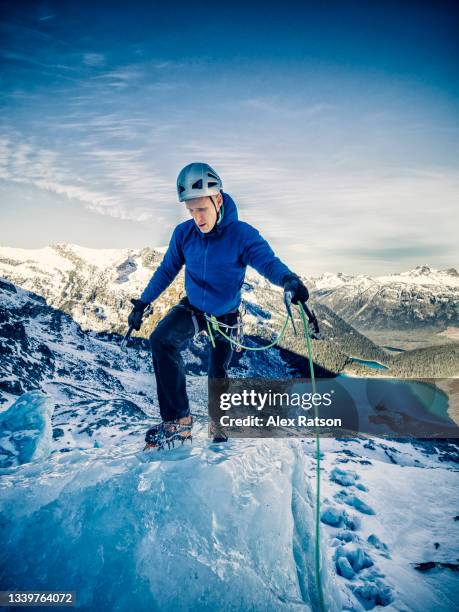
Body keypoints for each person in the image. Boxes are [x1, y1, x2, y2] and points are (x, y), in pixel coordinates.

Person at [128, 162, 309, 449]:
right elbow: (166, 270)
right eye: (191, 210)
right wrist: (143, 302)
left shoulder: (242, 235)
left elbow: (267, 262)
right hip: (194, 307)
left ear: (218, 200)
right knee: (161, 339)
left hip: (226, 315)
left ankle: (219, 423)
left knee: (218, 372)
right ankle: (179, 423)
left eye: (202, 209)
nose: (197, 218)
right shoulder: (183, 234)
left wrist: (288, 280)